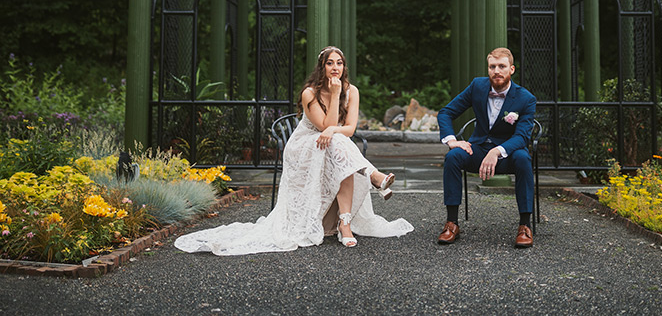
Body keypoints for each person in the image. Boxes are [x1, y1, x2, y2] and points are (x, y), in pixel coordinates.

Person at [175, 46, 413, 255]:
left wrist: (334, 128)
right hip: (306, 145)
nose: (335, 67)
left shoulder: (353, 91)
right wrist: (335, 96)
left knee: (341, 149)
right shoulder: (309, 93)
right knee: (339, 145)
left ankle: (345, 223)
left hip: (332, 143)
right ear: (321, 67)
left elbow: (348, 129)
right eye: (330, 63)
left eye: (339, 63)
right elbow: (324, 127)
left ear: (344, 67)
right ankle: (373, 178)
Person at [437, 47, 537, 247]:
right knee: (453, 157)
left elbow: (522, 137)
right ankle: (451, 223)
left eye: (502, 66)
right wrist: (451, 141)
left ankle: (525, 225)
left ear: (512, 69)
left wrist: (496, 151)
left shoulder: (526, 98)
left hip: (509, 153)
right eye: (492, 66)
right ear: (488, 68)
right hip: (479, 149)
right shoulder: (477, 86)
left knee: (524, 159)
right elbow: (446, 112)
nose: (497, 71)